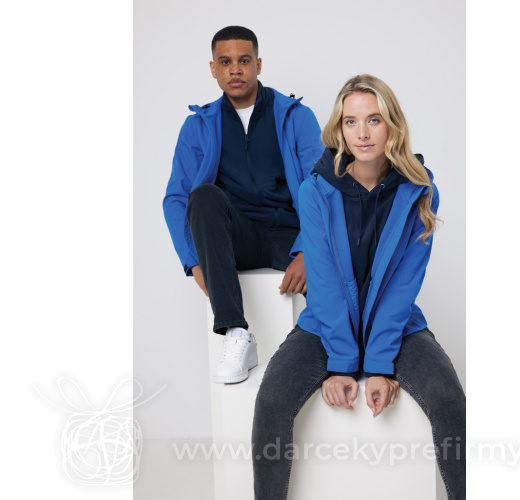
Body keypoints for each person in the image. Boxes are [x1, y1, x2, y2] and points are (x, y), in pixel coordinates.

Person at [252, 74, 465, 499]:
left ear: (392, 125)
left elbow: (404, 285)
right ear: (340, 128)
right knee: (272, 402)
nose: (362, 133)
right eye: (351, 121)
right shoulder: (315, 190)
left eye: (374, 120)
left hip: (397, 325)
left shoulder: (421, 192)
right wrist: (342, 364)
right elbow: (324, 283)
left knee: (448, 399)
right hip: (325, 325)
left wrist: (381, 364)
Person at [163, 26, 323, 384]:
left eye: (244, 61)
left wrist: (307, 251)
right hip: (238, 238)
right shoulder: (198, 125)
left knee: (337, 291)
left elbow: (321, 187)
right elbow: (176, 197)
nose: (235, 70)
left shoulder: (296, 116)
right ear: (213, 68)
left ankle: (343, 355)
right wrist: (193, 262)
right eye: (225, 62)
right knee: (202, 195)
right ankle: (236, 334)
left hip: (289, 235)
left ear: (258, 64)